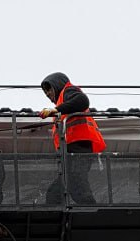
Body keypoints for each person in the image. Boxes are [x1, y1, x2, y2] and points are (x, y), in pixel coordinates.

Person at [39, 72, 106, 205]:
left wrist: (56, 110)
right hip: (70, 150)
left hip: (79, 147)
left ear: (57, 84)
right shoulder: (61, 104)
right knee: (57, 191)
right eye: (45, 93)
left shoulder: (68, 91)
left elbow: (82, 101)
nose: (47, 94)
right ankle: (60, 213)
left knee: (76, 182)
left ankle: (92, 211)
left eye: (49, 90)